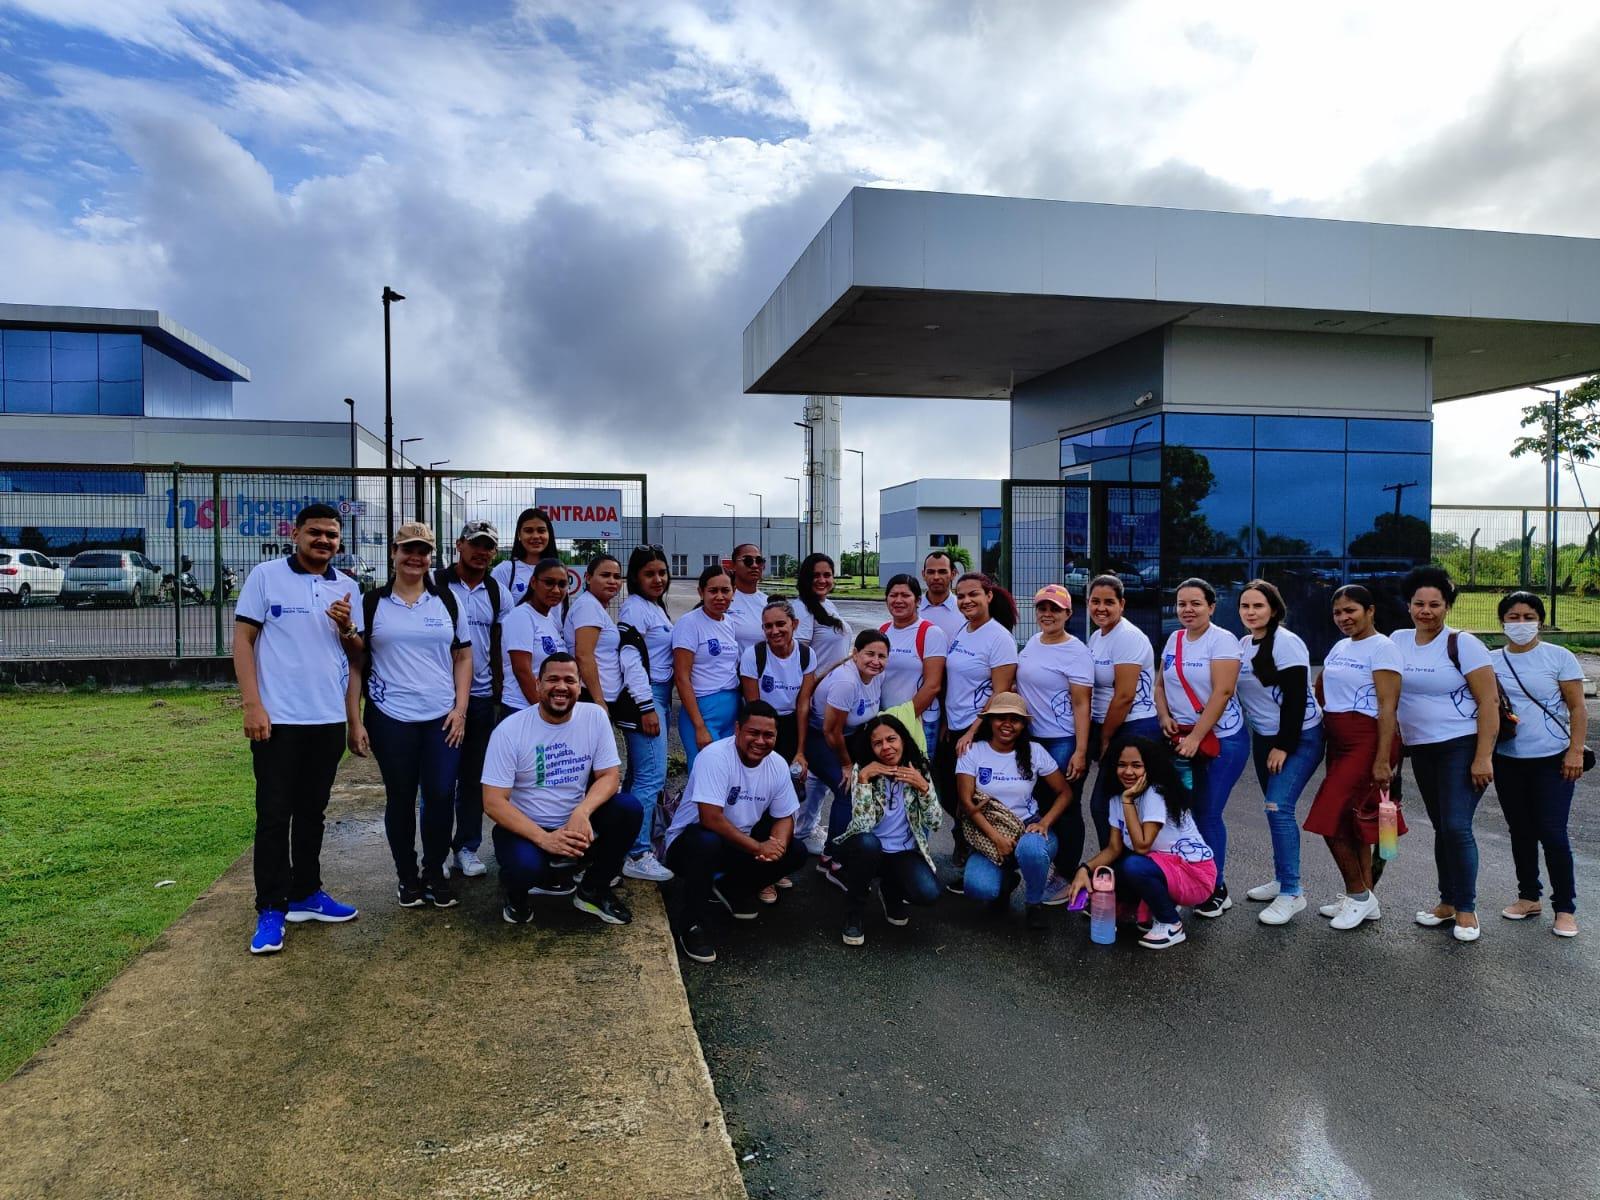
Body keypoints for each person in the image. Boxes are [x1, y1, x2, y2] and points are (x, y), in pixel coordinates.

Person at [233, 502, 364, 955]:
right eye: (316, 533)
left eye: (331, 534)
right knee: (274, 816)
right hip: (279, 721)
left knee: (313, 813)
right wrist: (253, 705)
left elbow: (357, 654)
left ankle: (307, 894)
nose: (324, 541)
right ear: (296, 533)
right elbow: (243, 641)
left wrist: (347, 627)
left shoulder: (347, 586)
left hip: (326, 720)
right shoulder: (266, 576)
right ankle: (271, 907)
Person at [347, 522, 473, 911]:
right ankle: (407, 877)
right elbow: (356, 662)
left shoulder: (448, 601)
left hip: (441, 718)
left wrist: (460, 709)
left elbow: (464, 656)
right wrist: (355, 720)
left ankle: (434, 871)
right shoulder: (372, 603)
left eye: (423, 551)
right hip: (390, 717)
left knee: (439, 795)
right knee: (400, 799)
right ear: (394, 554)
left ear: (432, 556)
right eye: (408, 550)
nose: (415, 558)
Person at [483, 653, 641, 927]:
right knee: (524, 867)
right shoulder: (510, 731)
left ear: (580, 686)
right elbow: (494, 801)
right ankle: (517, 897)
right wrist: (544, 840)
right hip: (527, 828)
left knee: (629, 809)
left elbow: (609, 776)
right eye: (552, 679)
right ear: (538, 685)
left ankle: (592, 890)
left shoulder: (594, 717)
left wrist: (582, 811)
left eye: (569, 680)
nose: (561, 687)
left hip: (574, 823)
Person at [1393, 565, 1500, 943]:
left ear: (1448, 606)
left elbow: (1488, 702)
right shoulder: (1399, 640)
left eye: (1435, 604)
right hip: (1421, 748)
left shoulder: (1463, 644)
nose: (1426, 611)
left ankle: (1467, 908)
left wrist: (1483, 756)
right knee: (1442, 827)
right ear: (1408, 606)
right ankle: (1446, 902)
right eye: (1419, 603)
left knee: (1456, 826)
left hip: (1462, 745)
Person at [664, 701, 809, 964]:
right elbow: (710, 819)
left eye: (769, 735)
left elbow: (785, 815)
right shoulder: (715, 756)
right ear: (738, 729)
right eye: (754, 733)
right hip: (689, 844)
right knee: (706, 841)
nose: (761, 741)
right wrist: (758, 848)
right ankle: (691, 925)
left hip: (736, 843)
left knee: (795, 851)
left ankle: (732, 888)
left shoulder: (776, 764)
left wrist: (776, 844)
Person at [1307, 584, 1403, 930]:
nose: (1344, 618)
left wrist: (1381, 760)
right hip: (1340, 740)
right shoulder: (1340, 646)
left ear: (1370, 611)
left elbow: (1387, 706)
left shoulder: (1383, 648)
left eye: (1351, 611)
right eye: (1338, 612)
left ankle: (1358, 895)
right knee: (1352, 821)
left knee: (1327, 819)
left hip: (1368, 740)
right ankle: (1363, 898)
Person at [1154, 577, 1250, 919]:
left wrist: (1196, 736)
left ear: (1211, 606)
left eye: (1195, 603)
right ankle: (1190, 879)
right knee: (1184, 812)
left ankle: (1216, 888)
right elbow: (1160, 681)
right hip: (1180, 739)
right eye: (1182, 603)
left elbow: (1222, 693)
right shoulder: (1174, 637)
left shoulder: (1222, 641)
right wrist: (1164, 715)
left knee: (1208, 812)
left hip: (1222, 739)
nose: (1187, 610)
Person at [1490, 590, 1584, 938]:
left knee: (1553, 833)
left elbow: (1577, 708)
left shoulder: (1558, 657)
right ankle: (1529, 896)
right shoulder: (1490, 660)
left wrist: (1575, 751)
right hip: (1508, 759)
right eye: (1513, 617)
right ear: (1501, 622)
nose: (1520, 623)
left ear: (1540, 620)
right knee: (1521, 831)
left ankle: (1565, 908)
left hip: (1553, 758)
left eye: (1528, 617)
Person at [1232, 579, 1325, 926]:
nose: (1251, 612)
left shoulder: (1287, 644)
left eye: (1258, 605)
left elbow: (1297, 700)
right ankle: (1282, 878)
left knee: (1278, 806)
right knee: (1273, 809)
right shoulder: (1243, 645)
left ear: (1273, 609)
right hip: (1265, 737)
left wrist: (1284, 746)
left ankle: (1292, 892)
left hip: (1299, 736)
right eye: (1245, 606)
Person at [1066, 737, 1215, 951]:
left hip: (1194, 874)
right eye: (1122, 765)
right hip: (1164, 866)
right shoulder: (1116, 798)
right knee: (1107, 872)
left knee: (1134, 865)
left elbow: (1142, 846)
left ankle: (1171, 923)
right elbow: (1114, 848)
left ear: (1149, 767)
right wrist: (1084, 870)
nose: (1128, 772)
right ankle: (1142, 908)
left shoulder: (1154, 792)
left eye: (1136, 765)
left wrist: (1128, 801)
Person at [955, 692, 1072, 928]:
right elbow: (967, 802)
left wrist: (1045, 823)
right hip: (989, 828)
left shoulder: (1035, 751)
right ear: (990, 720)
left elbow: (1065, 793)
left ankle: (1034, 903)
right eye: (1001, 718)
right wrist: (996, 837)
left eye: (1015, 719)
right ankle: (1007, 881)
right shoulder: (973, 751)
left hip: (1028, 825)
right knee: (978, 887)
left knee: (1031, 848)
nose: (1007, 724)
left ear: (1023, 724)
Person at [436, 519, 512, 880]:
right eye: (476, 544)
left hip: (481, 697)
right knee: (435, 781)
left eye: (489, 546)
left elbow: (507, 645)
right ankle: (434, 851)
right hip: (436, 699)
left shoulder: (499, 593)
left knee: (472, 778)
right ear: (459, 545)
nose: (482, 552)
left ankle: (465, 847)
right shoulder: (434, 586)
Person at [939, 572, 1020, 886]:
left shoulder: (999, 638)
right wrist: (949, 721)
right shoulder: (964, 629)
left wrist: (973, 731)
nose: (966, 601)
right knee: (951, 794)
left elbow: (999, 695)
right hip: (956, 727)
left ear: (989, 595)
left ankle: (991, 862)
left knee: (973, 801)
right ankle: (973, 849)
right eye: (960, 596)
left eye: (973, 594)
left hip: (979, 732)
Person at [834, 713, 943, 946]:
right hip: (866, 848)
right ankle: (854, 912)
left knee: (928, 893)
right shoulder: (863, 770)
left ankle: (890, 890)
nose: (886, 747)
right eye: (877, 743)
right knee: (868, 844)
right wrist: (863, 780)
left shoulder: (918, 767)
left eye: (891, 739)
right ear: (870, 748)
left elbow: (935, 823)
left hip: (902, 852)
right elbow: (861, 826)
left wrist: (923, 787)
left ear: (902, 739)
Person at [1016, 584, 1093, 903]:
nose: (1047, 614)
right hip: (1032, 738)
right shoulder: (1033, 643)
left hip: (1062, 740)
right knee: (1042, 805)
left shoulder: (1076, 651)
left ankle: (1066, 873)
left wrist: (1080, 750)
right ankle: (1047, 865)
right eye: (1042, 608)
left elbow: (1081, 704)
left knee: (1066, 806)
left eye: (1055, 609)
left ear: (1068, 614)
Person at [807, 629, 890, 884]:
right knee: (847, 788)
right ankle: (834, 859)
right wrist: (846, 764)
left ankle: (845, 848)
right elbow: (830, 731)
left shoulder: (877, 675)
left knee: (871, 782)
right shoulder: (846, 681)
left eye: (882, 656)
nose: (876, 661)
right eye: (869, 654)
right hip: (821, 738)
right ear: (855, 654)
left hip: (851, 735)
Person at [1084, 574, 1159, 854]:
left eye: (1109, 602)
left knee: (1105, 803)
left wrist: (1104, 739)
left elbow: (1125, 696)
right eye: (1095, 601)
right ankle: (1115, 867)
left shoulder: (1127, 637)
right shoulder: (1097, 636)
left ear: (1122, 604)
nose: (1101, 608)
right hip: (1112, 726)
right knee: (1112, 804)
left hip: (1133, 728)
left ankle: (1121, 869)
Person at [617, 546, 676, 884]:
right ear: (636, 578)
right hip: (647, 696)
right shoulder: (635, 609)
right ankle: (638, 852)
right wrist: (646, 707)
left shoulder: (654, 607)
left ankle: (625, 841)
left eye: (662, 572)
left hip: (659, 695)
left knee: (638, 775)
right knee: (651, 777)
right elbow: (630, 661)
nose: (658, 579)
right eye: (649, 573)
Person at [564, 553, 653, 724]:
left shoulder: (594, 606)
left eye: (617, 577)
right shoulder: (588, 607)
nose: (612, 581)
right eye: (605, 575)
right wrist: (599, 700)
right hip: (590, 699)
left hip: (600, 698)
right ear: (588, 578)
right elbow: (584, 655)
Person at [672, 564, 741, 771]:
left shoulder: (729, 622)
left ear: (734, 592)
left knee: (726, 773)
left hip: (731, 709)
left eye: (725, 590)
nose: (720, 596)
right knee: (703, 773)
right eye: (713, 591)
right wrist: (699, 726)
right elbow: (682, 677)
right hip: (703, 712)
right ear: (701, 592)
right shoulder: (689, 623)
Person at [740, 599, 817, 769]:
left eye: (781, 624)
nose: (774, 631)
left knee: (793, 777)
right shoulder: (753, 655)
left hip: (792, 722)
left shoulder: (806, 654)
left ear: (794, 624)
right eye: (768, 626)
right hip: (762, 722)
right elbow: (754, 707)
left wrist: (800, 750)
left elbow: (803, 706)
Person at [878, 573, 948, 752]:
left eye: (905, 595)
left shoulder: (931, 633)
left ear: (917, 600)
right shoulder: (883, 630)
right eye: (893, 595)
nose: (898, 600)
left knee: (918, 775)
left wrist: (903, 719)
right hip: (887, 718)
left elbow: (933, 685)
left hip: (920, 721)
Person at [500, 557, 570, 715]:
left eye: (562, 584)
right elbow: (522, 671)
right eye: (549, 582)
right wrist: (545, 711)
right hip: (522, 709)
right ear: (533, 582)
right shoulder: (521, 616)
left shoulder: (550, 618)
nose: (556, 590)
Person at [794, 553, 854, 673]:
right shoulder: (800, 609)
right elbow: (798, 659)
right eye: (816, 575)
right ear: (805, 578)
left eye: (827, 575)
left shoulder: (828, 605)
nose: (822, 580)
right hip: (816, 687)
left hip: (834, 684)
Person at [490, 507, 555, 602]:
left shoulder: (558, 571)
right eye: (528, 531)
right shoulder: (504, 571)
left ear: (549, 534)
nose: (536, 536)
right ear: (519, 535)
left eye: (541, 531)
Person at [725, 542, 769, 657]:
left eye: (759, 561)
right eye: (747, 561)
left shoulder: (769, 603)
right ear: (733, 565)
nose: (754, 565)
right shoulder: (723, 601)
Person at [918, 550, 966, 643]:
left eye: (942, 572)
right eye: (931, 572)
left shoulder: (964, 609)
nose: (936, 577)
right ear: (924, 575)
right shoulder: (912, 608)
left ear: (953, 574)